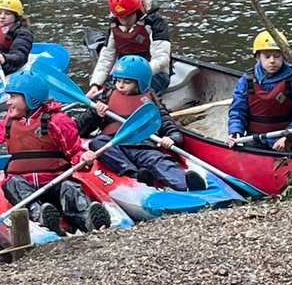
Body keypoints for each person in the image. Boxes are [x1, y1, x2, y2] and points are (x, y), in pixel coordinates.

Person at [0, 69, 110, 236]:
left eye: (13, 97)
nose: (8, 102)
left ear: (30, 98)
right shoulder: (10, 124)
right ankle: (41, 215)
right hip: (25, 186)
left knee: (69, 188)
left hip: (55, 182)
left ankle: (87, 218)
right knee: (12, 184)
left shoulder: (58, 121)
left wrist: (84, 158)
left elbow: (74, 152)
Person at [78, 56, 205, 191]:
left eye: (127, 82)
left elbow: (166, 122)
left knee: (157, 161)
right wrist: (95, 113)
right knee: (97, 142)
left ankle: (185, 184)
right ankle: (135, 175)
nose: (120, 85)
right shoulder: (107, 96)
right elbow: (80, 129)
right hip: (113, 143)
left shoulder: (150, 99)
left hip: (142, 144)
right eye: (118, 81)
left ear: (140, 83)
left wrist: (172, 138)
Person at [227, 31, 292, 152]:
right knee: (244, 149)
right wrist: (235, 131)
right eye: (267, 56)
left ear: (284, 56)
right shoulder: (246, 81)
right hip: (257, 139)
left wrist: (288, 137)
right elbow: (238, 111)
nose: (272, 61)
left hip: (289, 137)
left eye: (277, 56)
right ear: (258, 57)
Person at [88, 0, 172, 95]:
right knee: (107, 94)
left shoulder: (154, 22)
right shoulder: (115, 24)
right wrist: (96, 84)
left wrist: (138, 74)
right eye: (121, 17)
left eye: (128, 16)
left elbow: (162, 58)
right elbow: (107, 56)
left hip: (155, 73)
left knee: (136, 92)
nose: (124, 21)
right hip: (123, 73)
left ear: (138, 10)